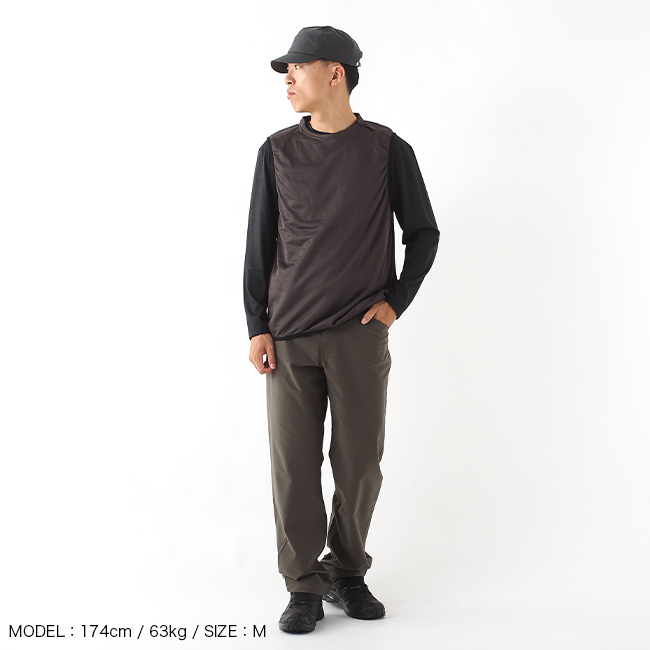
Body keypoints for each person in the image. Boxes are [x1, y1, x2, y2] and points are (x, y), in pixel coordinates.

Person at [243, 25, 440, 634]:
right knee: (293, 469)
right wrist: (257, 325)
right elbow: (258, 245)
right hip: (289, 336)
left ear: (336, 73)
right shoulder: (276, 152)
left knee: (359, 465)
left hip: (359, 332)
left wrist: (396, 302)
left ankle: (347, 571)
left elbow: (423, 233)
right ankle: (303, 585)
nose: (287, 79)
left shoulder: (386, 149)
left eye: (297, 67)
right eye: (285, 70)